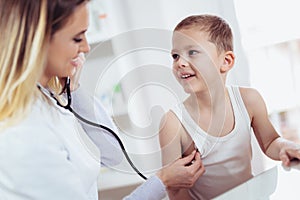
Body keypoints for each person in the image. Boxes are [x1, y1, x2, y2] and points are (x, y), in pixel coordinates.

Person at [0, 1, 205, 199]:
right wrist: (162, 182)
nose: (87, 48)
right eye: (77, 39)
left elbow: (112, 155)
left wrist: (73, 90)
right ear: (37, 40)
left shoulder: (50, 99)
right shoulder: (24, 133)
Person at [159, 14, 300, 200]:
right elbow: (175, 189)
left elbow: (270, 142)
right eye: (175, 56)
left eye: (192, 52)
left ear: (226, 62)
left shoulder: (249, 100)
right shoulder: (173, 123)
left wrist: (285, 146)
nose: (180, 63)